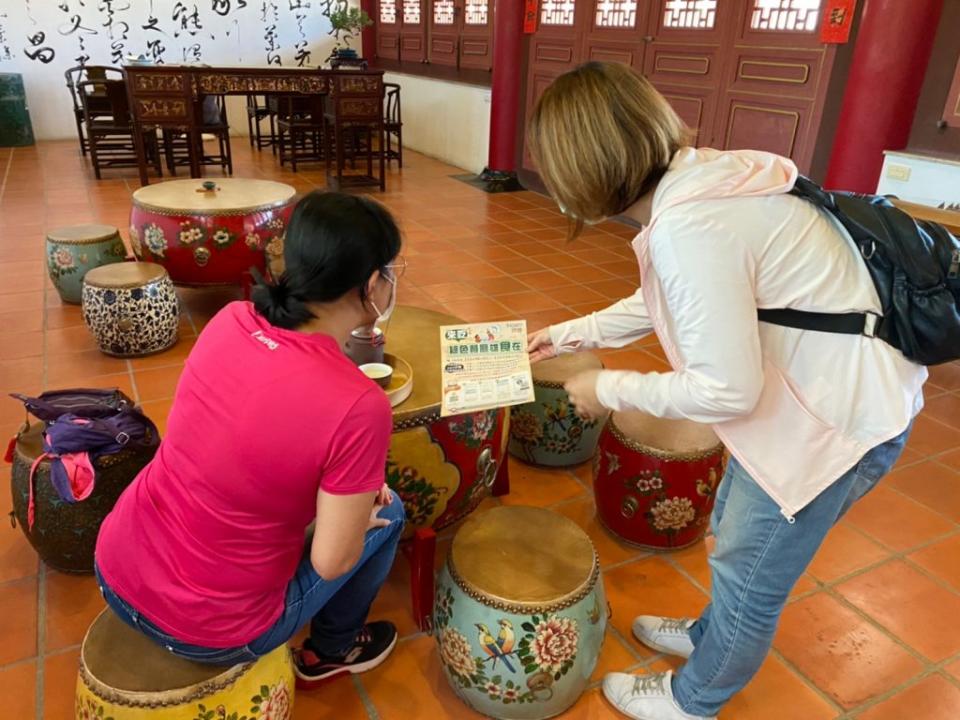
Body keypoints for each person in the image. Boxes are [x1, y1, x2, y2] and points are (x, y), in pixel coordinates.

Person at [526, 62, 926, 720]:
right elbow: (668, 300)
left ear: (588, 165)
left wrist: (608, 385)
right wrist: (571, 335)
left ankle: (695, 699)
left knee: (751, 578)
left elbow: (727, 390)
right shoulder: (703, 179)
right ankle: (709, 637)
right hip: (817, 398)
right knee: (734, 536)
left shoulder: (691, 224)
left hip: (833, 425)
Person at [95, 191, 408, 685]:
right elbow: (332, 561)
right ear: (371, 285)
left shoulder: (232, 319)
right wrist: (358, 515)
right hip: (213, 630)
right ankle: (333, 649)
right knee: (390, 513)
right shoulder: (360, 407)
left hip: (116, 566)